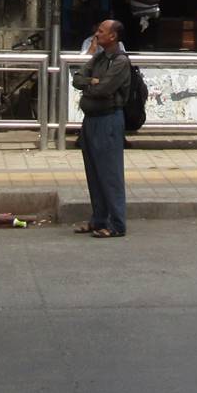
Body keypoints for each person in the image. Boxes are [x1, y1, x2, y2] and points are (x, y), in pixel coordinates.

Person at [71, 19, 130, 238]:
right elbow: (77, 79)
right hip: (91, 120)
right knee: (94, 172)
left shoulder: (120, 61)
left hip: (109, 121)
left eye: (101, 31)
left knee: (109, 173)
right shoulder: (99, 56)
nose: (97, 34)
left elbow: (104, 88)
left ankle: (117, 224)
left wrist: (94, 84)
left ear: (113, 36)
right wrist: (91, 81)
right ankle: (98, 219)